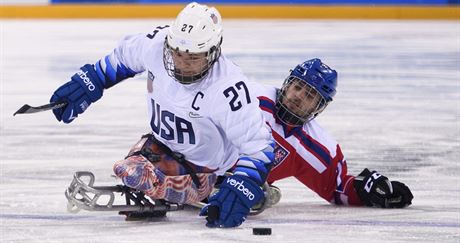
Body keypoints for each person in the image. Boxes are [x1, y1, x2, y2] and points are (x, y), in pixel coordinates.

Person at [49, 2, 275, 228]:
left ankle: (213, 186)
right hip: (159, 147)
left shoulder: (228, 88)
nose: (182, 65)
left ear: (213, 52)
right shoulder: (157, 44)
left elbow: (259, 148)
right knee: (131, 170)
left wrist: (241, 187)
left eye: (193, 58)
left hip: (203, 170)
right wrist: (90, 81)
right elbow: (122, 58)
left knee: (135, 173)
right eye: (177, 54)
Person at [256, 58, 413, 208]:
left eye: (309, 95)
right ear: (287, 85)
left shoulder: (316, 148)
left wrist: (368, 190)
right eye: (297, 87)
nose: (298, 96)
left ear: (318, 106)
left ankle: (258, 190)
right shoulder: (252, 98)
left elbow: (337, 188)